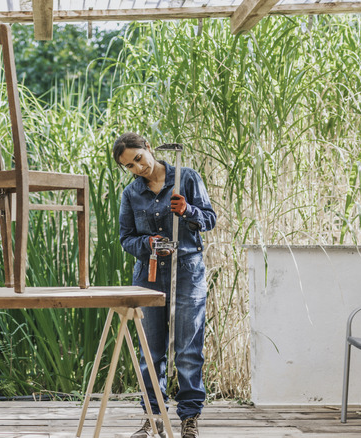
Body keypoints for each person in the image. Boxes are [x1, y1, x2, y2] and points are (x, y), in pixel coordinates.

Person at [113, 132, 216, 438]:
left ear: (148, 148)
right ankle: (154, 417)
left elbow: (209, 220)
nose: (137, 168)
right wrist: (148, 243)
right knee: (151, 350)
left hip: (187, 270)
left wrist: (187, 211)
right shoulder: (131, 195)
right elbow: (126, 238)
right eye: (129, 166)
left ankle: (189, 418)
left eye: (138, 159)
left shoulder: (187, 179)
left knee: (188, 348)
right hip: (150, 275)